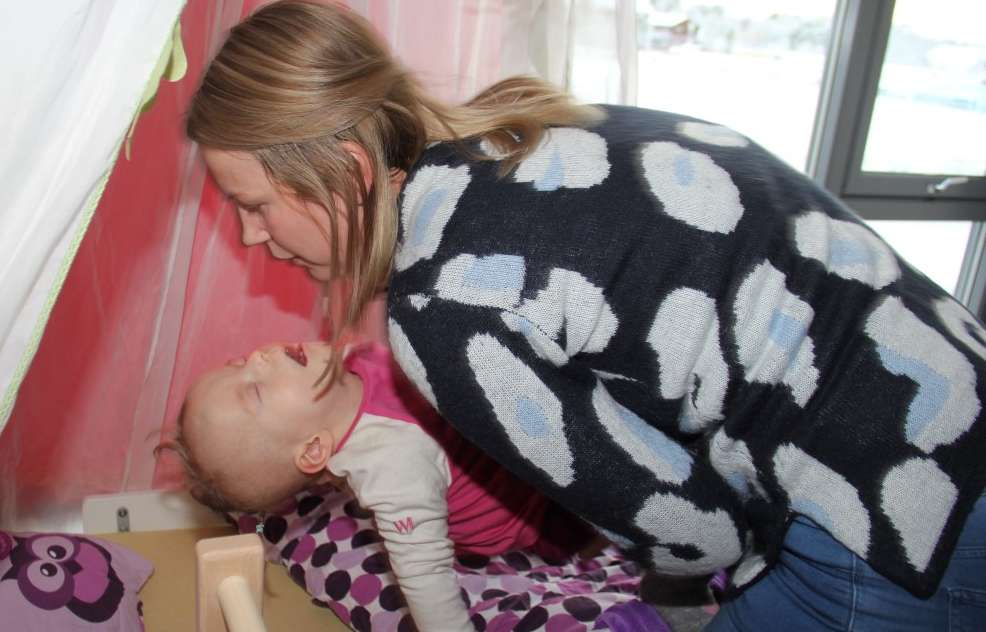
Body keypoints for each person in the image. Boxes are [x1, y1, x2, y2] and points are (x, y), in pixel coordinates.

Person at [184, 1, 986, 628]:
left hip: (896, 510)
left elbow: (698, 535)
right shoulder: (527, 132)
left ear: (348, 172)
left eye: (253, 206)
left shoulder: (441, 307)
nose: (251, 237)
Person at [165, 340, 596, 632]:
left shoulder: (345, 369)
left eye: (240, 363)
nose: (258, 356)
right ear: (313, 449)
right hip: (532, 511)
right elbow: (424, 577)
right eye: (256, 391)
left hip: (505, 440)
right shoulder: (394, 466)